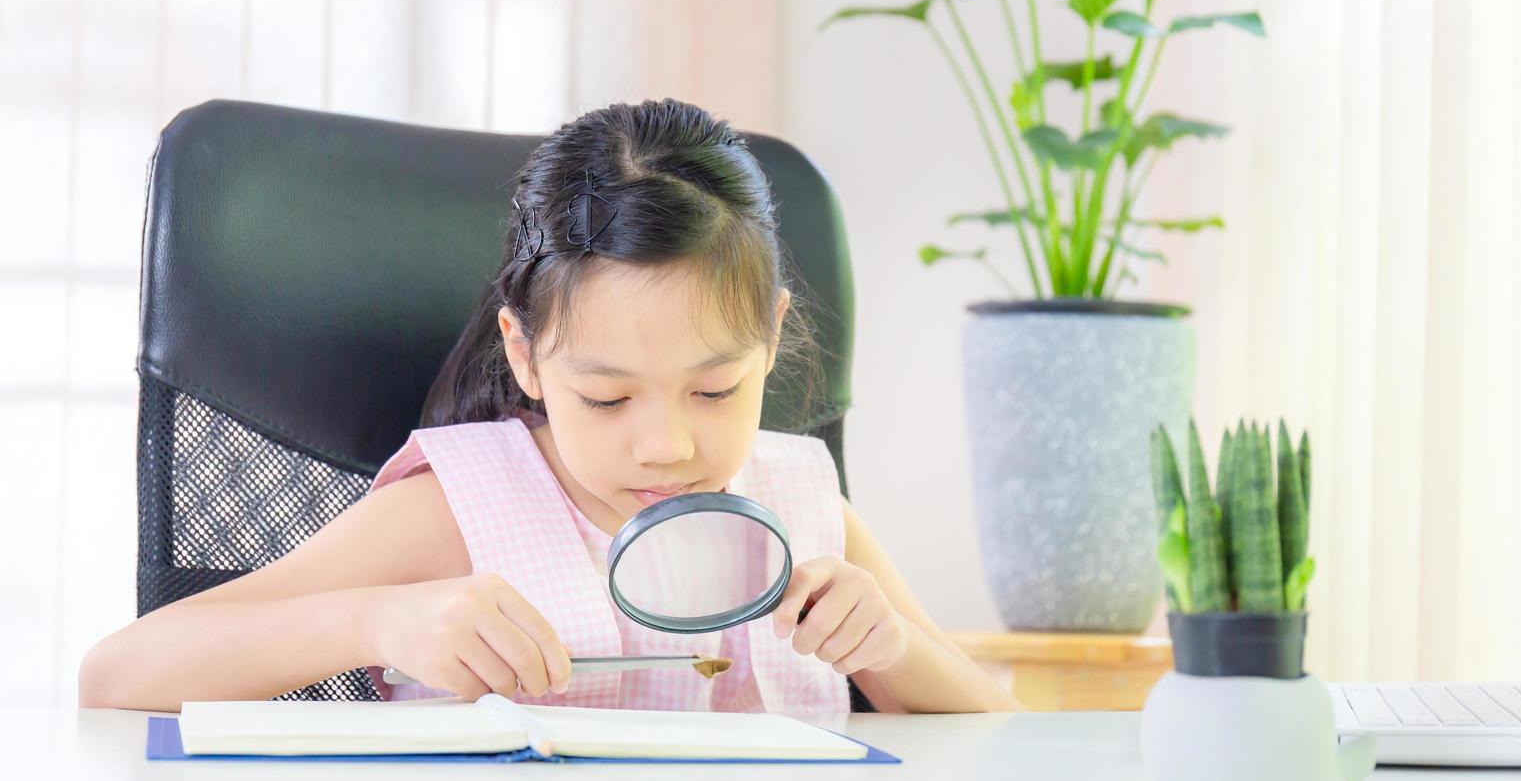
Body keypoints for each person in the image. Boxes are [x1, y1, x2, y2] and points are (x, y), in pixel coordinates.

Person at [78, 99, 1022, 716]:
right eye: (606, 396)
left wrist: (889, 650)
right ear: (525, 355)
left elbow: (998, 733)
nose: (669, 444)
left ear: (772, 338)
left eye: (716, 388)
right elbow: (118, 677)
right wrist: (376, 621)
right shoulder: (461, 506)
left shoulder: (805, 507)